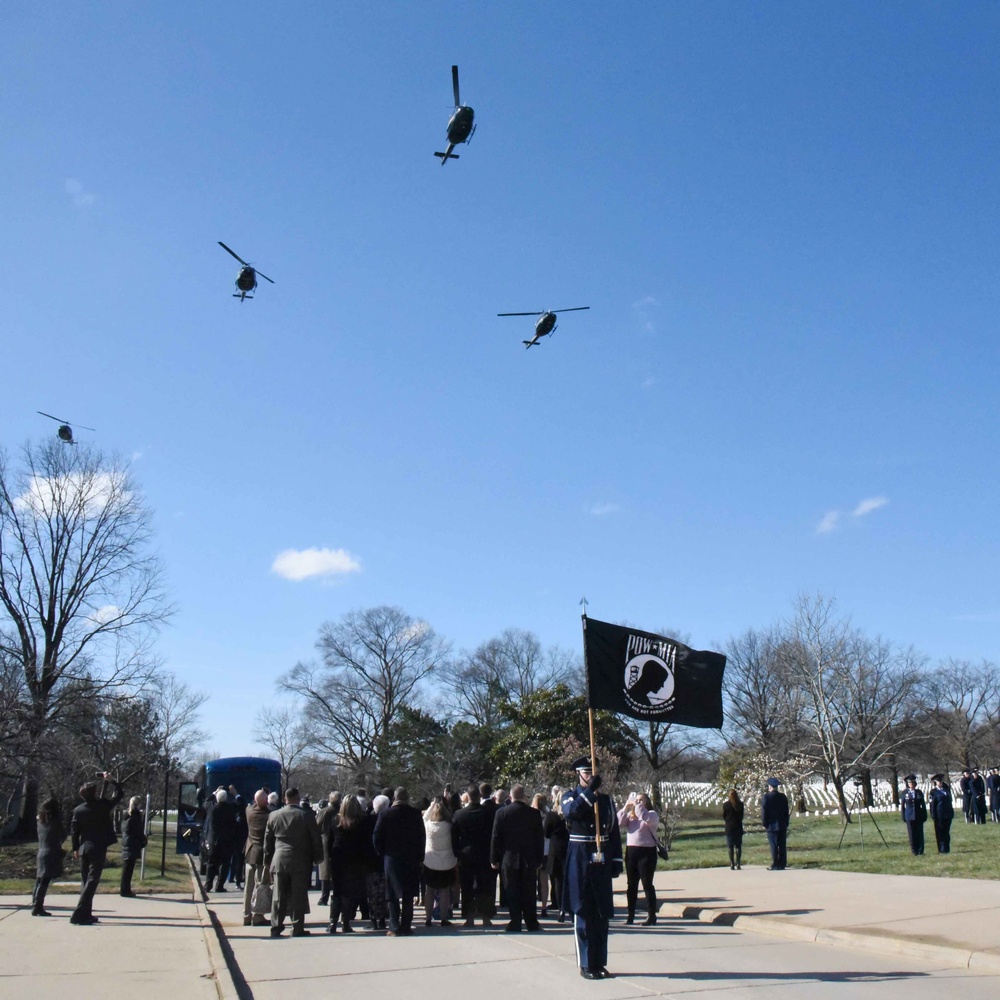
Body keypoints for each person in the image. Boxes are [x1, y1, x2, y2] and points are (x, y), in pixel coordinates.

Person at [562, 756, 622, 980]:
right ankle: (586, 963)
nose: (590, 776)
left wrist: (616, 860)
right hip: (580, 859)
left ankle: (599, 961)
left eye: (593, 772)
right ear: (578, 774)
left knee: (601, 913)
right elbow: (572, 812)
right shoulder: (570, 797)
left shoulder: (606, 800)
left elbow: (614, 832)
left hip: (601, 858)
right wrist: (589, 793)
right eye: (586, 773)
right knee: (583, 911)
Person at [263, 786, 323, 937]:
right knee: (298, 895)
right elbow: (315, 839)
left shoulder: (274, 816)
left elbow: (267, 841)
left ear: (285, 799)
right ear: (297, 798)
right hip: (300, 860)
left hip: (279, 859)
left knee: (278, 896)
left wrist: (267, 860)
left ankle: (276, 926)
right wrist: (318, 857)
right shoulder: (306, 815)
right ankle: (297, 927)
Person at [69, 772, 123, 925]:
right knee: (92, 880)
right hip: (98, 847)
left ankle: (86, 914)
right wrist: (112, 781)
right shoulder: (103, 806)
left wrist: (75, 848)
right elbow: (120, 794)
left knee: (86, 881)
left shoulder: (78, 810)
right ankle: (79, 913)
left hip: (84, 848)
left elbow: (74, 831)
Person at [491, 784, 544, 933]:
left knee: (512, 891)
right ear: (524, 796)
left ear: (510, 796)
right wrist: (539, 859)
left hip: (509, 858)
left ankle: (515, 921)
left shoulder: (502, 813)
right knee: (529, 892)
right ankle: (531, 922)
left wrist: (494, 858)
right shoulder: (534, 814)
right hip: (529, 859)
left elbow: (496, 837)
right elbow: (539, 838)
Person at [373, 786, 425, 937]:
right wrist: (420, 856)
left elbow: (376, 837)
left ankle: (394, 927)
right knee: (408, 895)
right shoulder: (415, 814)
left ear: (394, 798)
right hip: (411, 858)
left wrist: (382, 853)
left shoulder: (385, 814)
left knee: (392, 894)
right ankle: (406, 926)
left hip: (391, 858)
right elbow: (422, 837)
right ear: (407, 798)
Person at [452, 784, 494, 928]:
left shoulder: (459, 814)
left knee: (467, 888)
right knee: (485, 887)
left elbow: (454, 838)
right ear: (480, 796)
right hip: (484, 854)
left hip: (466, 855)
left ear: (468, 797)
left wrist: (457, 854)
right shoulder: (488, 813)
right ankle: (486, 917)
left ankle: (469, 918)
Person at [327, 794, 369, 933]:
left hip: (338, 857)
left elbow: (329, 841)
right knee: (349, 892)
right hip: (355, 859)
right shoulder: (361, 821)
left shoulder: (335, 820)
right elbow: (365, 843)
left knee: (337, 891)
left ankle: (332, 922)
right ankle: (345, 923)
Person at [617, 791, 659, 925]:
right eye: (637, 800)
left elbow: (646, 817)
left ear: (647, 802)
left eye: (641, 800)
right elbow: (619, 823)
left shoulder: (651, 814)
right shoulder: (632, 816)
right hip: (632, 852)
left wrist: (637, 805)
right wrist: (626, 807)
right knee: (631, 885)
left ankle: (651, 915)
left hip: (647, 852)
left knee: (647, 884)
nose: (638, 802)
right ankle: (631, 915)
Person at [422, 797, 458, 927]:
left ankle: (428, 918)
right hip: (446, 862)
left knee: (429, 891)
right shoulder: (449, 826)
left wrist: (431, 805)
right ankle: (443, 918)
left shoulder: (428, 825)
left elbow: (424, 818)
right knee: (445, 891)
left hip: (430, 861)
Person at [33, 796, 66, 916]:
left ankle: (35, 903)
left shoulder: (40, 821)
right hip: (51, 852)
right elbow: (62, 836)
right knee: (44, 881)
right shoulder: (55, 821)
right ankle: (38, 906)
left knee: (39, 880)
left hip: (41, 851)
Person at [243, 790, 270, 926]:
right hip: (262, 855)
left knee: (248, 886)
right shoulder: (269, 815)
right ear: (266, 802)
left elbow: (250, 805)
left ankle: (246, 914)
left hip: (250, 852)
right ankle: (258, 915)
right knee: (260, 886)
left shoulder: (249, 812)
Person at [205, 788, 240, 892]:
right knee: (224, 864)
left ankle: (208, 885)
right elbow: (240, 803)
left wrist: (214, 793)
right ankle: (219, 886)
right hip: (227, 841)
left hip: (213, 841)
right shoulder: (231, 808)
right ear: (226, 798)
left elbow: (205, 802)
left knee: (211, 863)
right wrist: (236, 794)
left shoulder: (211, 808)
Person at [365, 795, 390, 931]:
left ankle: (374, 919)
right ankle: (382, 919)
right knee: (383, 891)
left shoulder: (367, 820)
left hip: (371, 860)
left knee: (373, 893)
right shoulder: (388, 819)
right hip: (383, 859)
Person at [543, 790, 568, 922]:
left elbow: (546, 833)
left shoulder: (552, 815)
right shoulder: (571, 815)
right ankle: (569, 908)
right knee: (568, 881)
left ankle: (561, 909)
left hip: (556, 850)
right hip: (569, 848)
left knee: (558, 882)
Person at [316, 791, 341, 906]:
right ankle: (333, 896)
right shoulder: (340, 811)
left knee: (325, 872)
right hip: (336, 841)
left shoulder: (324, 811)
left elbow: (317, 826)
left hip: (325, 841)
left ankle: (324, 897)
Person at [119, 796, 147, 897]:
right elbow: (138, 831)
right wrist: (143, 840)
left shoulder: (126, 815)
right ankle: (125, 890)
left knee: (127, 868)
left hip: (126, 842)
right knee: (128, 869)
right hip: (132, 843)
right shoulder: (135, 816)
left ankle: (124, 889)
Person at [761, 777, 789, 871]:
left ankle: (775, 863)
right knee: (782, 845)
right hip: (782, 824)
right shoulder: (783, 797)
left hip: (771, 825)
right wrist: (786, 822)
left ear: (770, 787)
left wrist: (764, 823)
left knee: (773, 845)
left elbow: (764, 811)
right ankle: (782, 863)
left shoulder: (766, 797)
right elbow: (786, 811)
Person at [531, 793, 551, 917]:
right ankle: (544, 906)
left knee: (531, 880)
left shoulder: (530, 815)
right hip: (546, 850)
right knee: (544, 880)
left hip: (533, 850)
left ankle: (532, 904)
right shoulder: (549, 815)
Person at [901, 774, 927, 856]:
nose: (911, 784)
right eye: (909, 782)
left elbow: (923, 805)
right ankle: (914, 850)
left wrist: (924, 815)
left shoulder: (919, 792)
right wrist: (903, 816)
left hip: (918, 815)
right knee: (912, 834)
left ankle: (920, 850)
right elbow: (902, 806)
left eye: (912, 782)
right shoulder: (904, 793)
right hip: (909, 816)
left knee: (919, 833)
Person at [928, 774, 954, 854]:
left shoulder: (946, 790)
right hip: (939, 815)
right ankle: (941, 849)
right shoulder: (933, 792)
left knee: (946, 832)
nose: (940, 783)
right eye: (939, 781)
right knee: (940, 833)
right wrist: (933, 815)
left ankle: (947, 848)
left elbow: (950, 802)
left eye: (941, 781)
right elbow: (932, 805)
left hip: (947, 815)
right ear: (935, 782)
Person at [722, 789, 745, 871]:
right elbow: (742, 816)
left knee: (730, 846)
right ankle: (738, 863)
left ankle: (732, 863)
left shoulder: (726, 805)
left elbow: (724, 816)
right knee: (738, 846)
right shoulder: (740, 804)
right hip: (738, 826)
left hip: (729, 827)